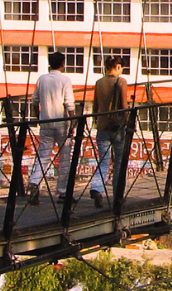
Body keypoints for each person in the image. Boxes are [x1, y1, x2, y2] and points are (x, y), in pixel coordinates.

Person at [28, 51, 77, 204]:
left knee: (43, 155)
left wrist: (40, 116)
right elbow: (69, 104)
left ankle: (35, 183)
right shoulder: (65, 80)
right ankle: (63, 192)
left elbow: (35, 102)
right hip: (62, 123)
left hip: (46, 122)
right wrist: (73, 122)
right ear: (62, 64)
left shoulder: (42, 80)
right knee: (64, 159)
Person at [87, 56, 131, 209]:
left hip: (102, 127)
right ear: (118, 67)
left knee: (103, 161)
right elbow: (124, 105)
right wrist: (128, 122)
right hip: (118, 128)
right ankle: (118, 195)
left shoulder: (99, 83)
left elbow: (96, 106)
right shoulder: (121, 82)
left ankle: (97, 188)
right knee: (119, 162)